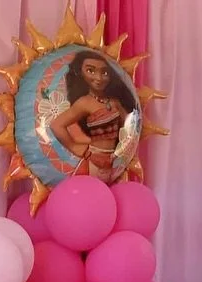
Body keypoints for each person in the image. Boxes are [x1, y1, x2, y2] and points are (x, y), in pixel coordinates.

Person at [47, 50, 141, 184]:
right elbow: (56, 125)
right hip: (95, 159)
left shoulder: (114, 102)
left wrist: (122, 150)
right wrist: (80, 150)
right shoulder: (84, 103)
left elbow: (130, 124)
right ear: (80, 73)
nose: (99, 77)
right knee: (93, 194)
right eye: (90, 71)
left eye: (105, 72)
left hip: (115, 159)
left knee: (109, 193)